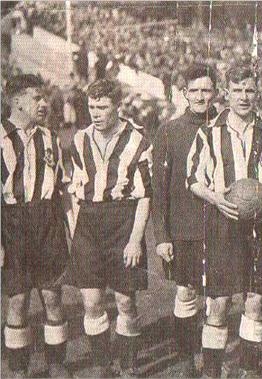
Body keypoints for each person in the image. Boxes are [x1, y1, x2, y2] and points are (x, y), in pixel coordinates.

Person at [187, 65, 262, 378]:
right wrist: (217, 199)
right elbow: (194, 180)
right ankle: (212, 372)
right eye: (237, 90)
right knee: (220, 303)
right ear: (226, 93)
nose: (244, 97)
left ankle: (250, 371)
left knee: (255, 299)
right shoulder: (209, 131)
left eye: (249, 90)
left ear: (257, 93)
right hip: (222, 223)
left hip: (260, 225)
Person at [67, 79, 152, 377]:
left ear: (118, 106)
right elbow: (75, 193)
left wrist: (134, 240)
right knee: (91, 303)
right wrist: (77, 233)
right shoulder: (79, 140)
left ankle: (128, 367)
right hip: (89, 224)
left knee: (125, 301)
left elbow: (144, 197)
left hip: (123, 223)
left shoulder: (138, 140)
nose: (96, 113)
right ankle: (103, 366)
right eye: (92, 107)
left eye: (102, 107)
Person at [1, 74, 71, 378]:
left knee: (53, 296)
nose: (44, 103)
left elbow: (63, 187)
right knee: (18, 300)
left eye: (44, 98)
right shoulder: (1, 136)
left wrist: (70, 230)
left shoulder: (49, 136)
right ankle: (18, 371)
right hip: (12, 223)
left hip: (47, 220)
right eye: (35, 98)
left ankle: (57, 364)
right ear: (16, 101)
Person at [151, 64, 218, 377]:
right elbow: (159, 190)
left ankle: (210, 354)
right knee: (187, 292)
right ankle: (185, 356)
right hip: (185, 228)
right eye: (194, 91)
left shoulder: (225, 125)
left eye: (206, 90)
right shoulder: (169, 131)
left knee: (219, 295)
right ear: (185, 94)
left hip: (221, 226)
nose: (201, 97)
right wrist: (162, 236)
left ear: (216, 92)